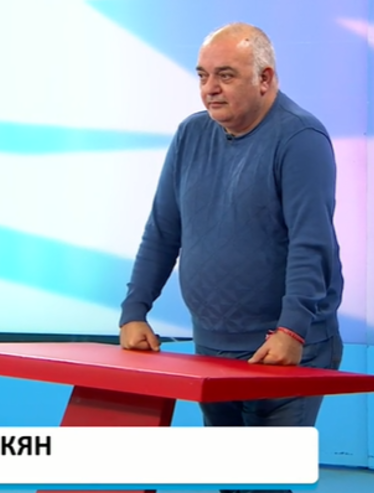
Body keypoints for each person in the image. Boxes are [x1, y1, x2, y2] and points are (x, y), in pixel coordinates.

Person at [118, 22, 343, 436]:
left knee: (265, 470)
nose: (210, 89)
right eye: (203, 76)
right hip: (211, 344)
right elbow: (163, 231)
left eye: (225, 75)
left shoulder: (300, 138)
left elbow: (310, 244)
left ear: (265, 78)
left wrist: (292, 329)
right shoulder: (190, 134)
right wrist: (134, 311)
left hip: (285, 347)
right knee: (227, 467)